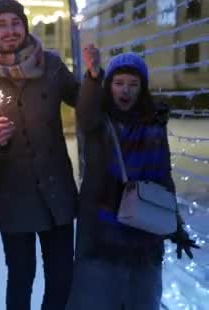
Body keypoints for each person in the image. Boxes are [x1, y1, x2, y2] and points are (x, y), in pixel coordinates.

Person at [0, 0, 98, 310]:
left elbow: (84, 104)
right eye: (1, 25)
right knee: (21, 276)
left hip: (57, 194)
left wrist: (92, 78)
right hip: (14, 197)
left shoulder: (50, 65)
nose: (10, 30)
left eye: (15, 23)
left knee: (62, 275)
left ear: (24, 26)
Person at [66, 52, 199, 310]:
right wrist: (94, 77)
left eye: (133, 84)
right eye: (118, 83)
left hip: (145, 233)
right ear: (109, 86)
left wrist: (175, 223)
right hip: (104, 232)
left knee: (142, 300)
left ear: (142, 88)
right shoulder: (99, 122)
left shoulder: (154, 124)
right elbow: (86, 113)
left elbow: (162, 176)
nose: (125, 90)